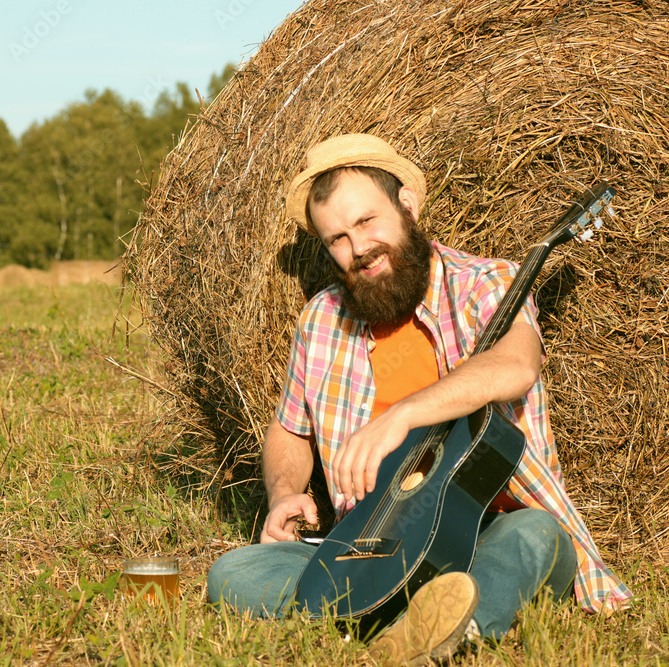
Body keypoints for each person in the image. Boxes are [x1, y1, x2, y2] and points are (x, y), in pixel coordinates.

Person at [206, 134, 632, 664]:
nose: (358, 248)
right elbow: (290, 429)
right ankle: (411, 616)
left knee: (537, 537)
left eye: (366, 222)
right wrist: (283, 493)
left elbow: (517, 365)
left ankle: (430, 620)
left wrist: (404, 415)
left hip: (485, 535)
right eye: (337, 237)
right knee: (233, 572)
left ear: (407, 203)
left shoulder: (484, 283)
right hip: (375, 546)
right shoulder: (321, 319)